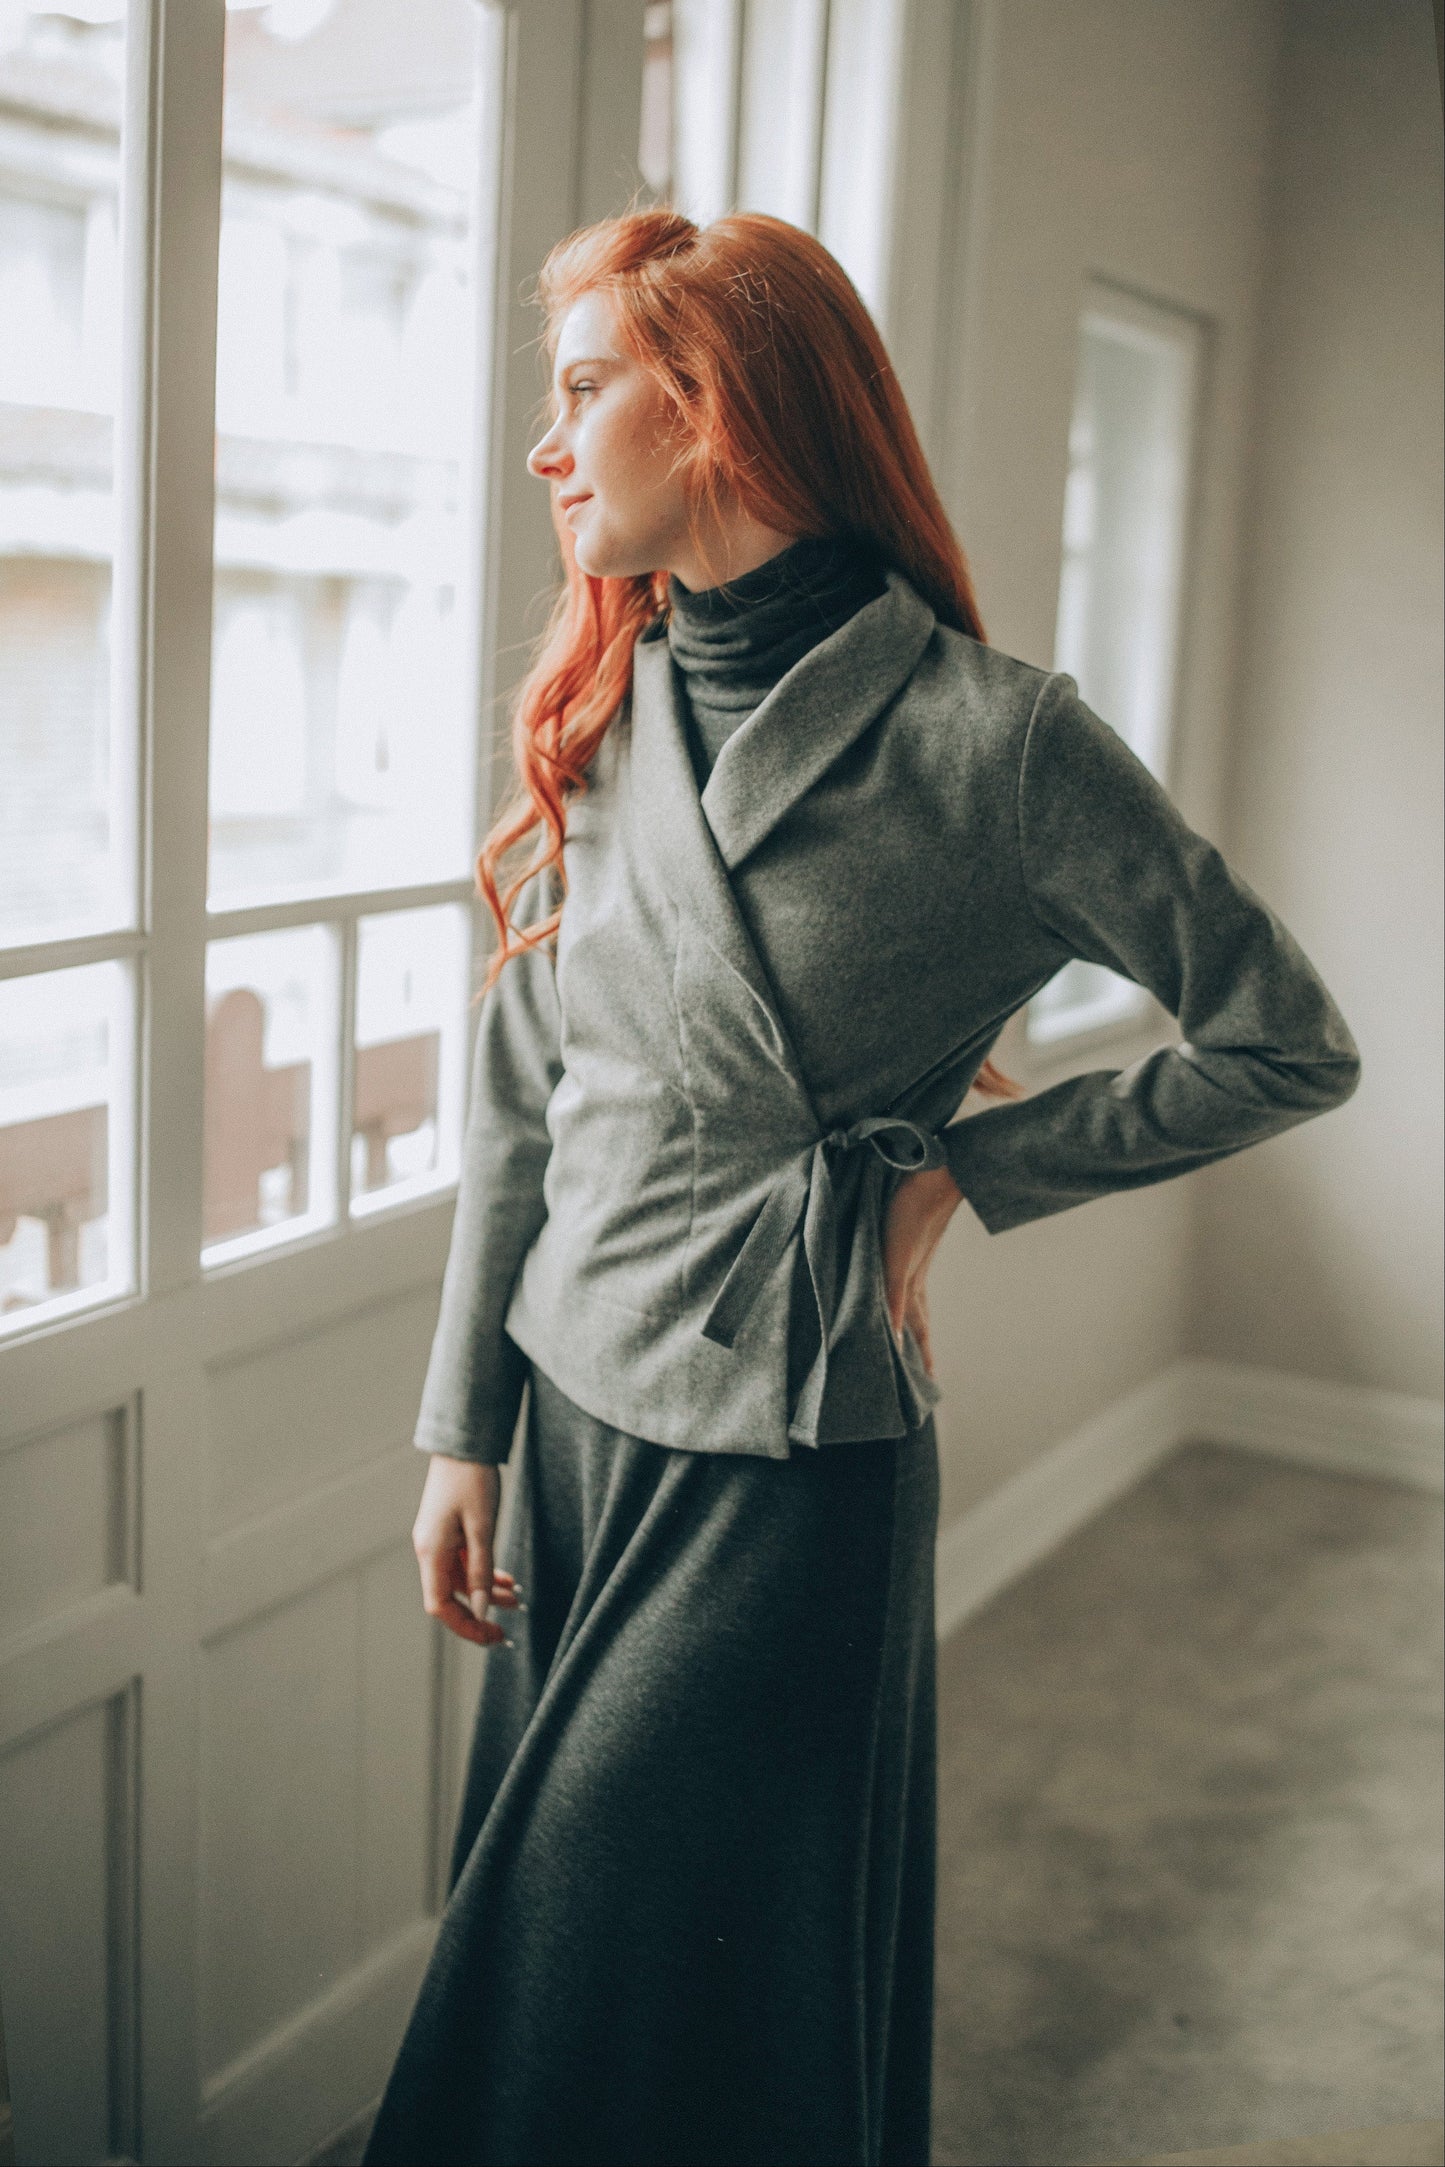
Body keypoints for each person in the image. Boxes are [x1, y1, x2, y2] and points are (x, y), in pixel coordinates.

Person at [362, 209, 1360, 2167]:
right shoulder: (603, 709)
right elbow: (520, 1104)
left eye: (583, 395)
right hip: (572, 1414)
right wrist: (459, 1426)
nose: (550, 452)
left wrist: (971, 1171)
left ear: (713, 404)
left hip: (787, 1456)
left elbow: (1283, 1037)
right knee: (631, 1998)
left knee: (570, 1983)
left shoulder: (998, 748)